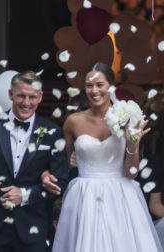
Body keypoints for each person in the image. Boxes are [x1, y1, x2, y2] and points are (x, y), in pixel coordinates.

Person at [43, 62, 163, 252]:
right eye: (89, 85)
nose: (94, 90)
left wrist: (132, 144)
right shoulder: (73, 121)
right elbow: (64, 163)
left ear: (111, 87)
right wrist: (49, 172)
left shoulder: (128, 119)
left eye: (100, 85)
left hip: (121, 194)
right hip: (84, 194)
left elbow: (132, 173)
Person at [0, 70, 68, 252]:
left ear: (40, 97)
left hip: (32, 227)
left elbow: (61, 181)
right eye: (21, 96)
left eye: (32, 97)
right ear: (11, 95)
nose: (26, 103)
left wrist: (25, 195)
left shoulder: (52, 132)